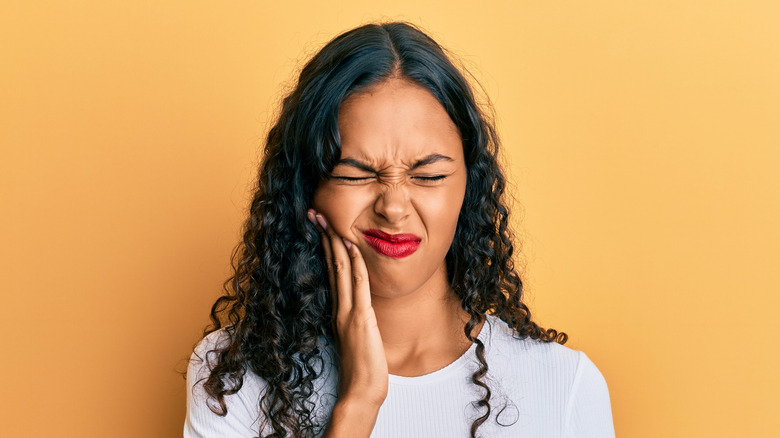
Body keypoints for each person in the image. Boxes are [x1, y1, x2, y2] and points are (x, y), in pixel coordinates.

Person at [184, 21, 614, 438]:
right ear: (307, 191)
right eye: (354, 176)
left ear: (470, 187)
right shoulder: (234, 376)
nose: (393, 207)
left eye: (428, 177)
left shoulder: (565, 384)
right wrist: (359, 404)